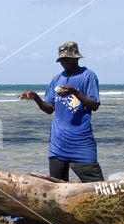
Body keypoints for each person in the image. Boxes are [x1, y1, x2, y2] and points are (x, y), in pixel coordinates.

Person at [17, 41, 103, 183]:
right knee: (57, 187)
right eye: (62, 59)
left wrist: (74, 92)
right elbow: (49, 109)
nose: (64, 62)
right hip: (58, 145)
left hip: (81, 144)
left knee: (96, 185)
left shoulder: (88, 76)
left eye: (67, 59)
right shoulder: (57, 79)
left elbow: (94, 105)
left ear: (76, 58)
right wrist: (36, 98)